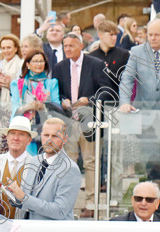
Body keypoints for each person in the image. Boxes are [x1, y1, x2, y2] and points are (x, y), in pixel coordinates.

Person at [51, 33, 109, 217]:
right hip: (68, 122)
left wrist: (89, 100)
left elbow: (106, 90)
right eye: (65, 46)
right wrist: (63, 100)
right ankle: (69, 204)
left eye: (71, 46)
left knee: (91, 163)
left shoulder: (96, 64)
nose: (67, 49)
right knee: (69, 164)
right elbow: (56, 92)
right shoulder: (59, 67)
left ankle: (91, 205)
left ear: (81, 45)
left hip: (89, 120)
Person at [9, 118, 82, 232]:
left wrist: (24, 197)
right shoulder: (35, 160)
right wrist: (12, 194)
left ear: (65, 138)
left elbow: (59, 210)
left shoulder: (70, 169)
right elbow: (26, 201)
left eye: (55, 136)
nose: (49, 140)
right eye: (46, 135)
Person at [10, 49, 60, 154]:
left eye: (41, 61)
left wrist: (43, 106)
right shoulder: (17, 84)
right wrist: (28, 107)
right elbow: (15, 106)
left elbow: (57, 106)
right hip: (24, 127)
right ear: (27, 64)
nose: (39, 64)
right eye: (35, 61)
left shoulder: (51, 83)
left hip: (46, 128)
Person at [0, 116, 34, 219]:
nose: (16, 138)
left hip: (25, 229)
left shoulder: (36, 166)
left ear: (29, 140)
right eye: (12, 133)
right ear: (6, 137)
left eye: (21, 134)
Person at [0, 34, 23, 154]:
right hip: (0, 107)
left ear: (15, 48)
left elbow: (24, 89)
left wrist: (11, 85)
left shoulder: (21, 64)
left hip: (15, 108)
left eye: (9, 47)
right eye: (3, 48)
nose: (6, 51)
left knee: (14, 141)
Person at [89, 20, 130, 102]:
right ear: (100, 35)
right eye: (111, 35)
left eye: (115, 35)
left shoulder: (124, 55)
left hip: (117, 101)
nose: (114, 38)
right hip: (97, 102)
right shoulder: (91, 57)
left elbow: (126, 81)